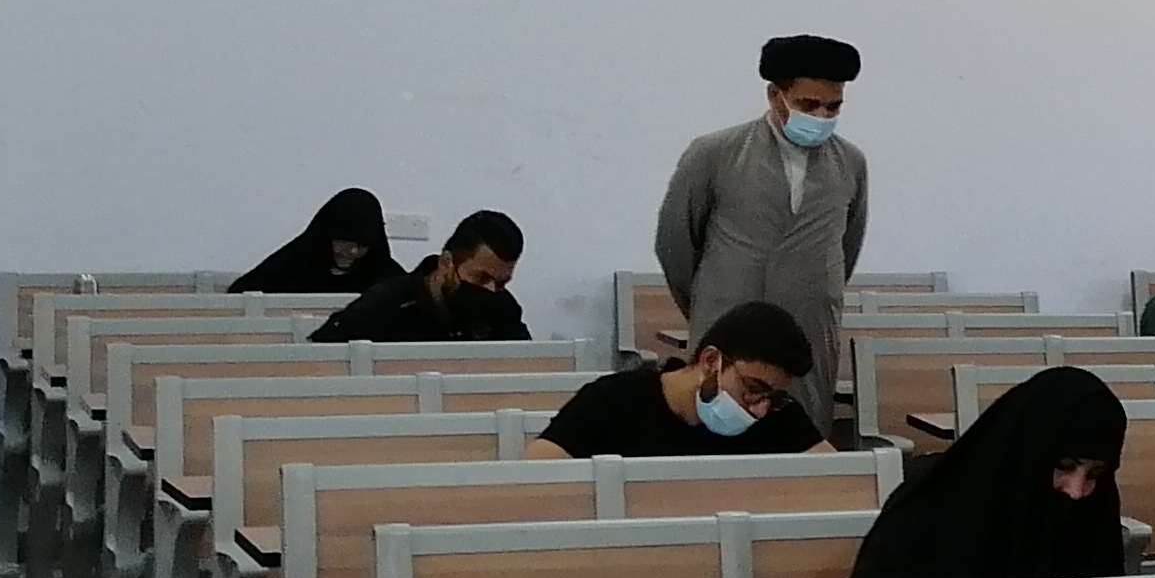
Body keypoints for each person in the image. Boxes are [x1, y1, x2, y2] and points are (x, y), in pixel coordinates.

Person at [654, 37, 870, 417]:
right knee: (720, 423)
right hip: (726, 325)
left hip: (809, 333)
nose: (821, 116)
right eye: (808, 105)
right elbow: (676, 246)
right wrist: (713, 300)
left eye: (832, 107)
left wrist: (811, 289)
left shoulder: (850, 163)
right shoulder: (714, 153)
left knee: (800, 430)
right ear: (774, 95)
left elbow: (846, 247)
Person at [851, 367, 1128, 578]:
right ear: (1028, 452)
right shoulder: (922, 515)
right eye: (1064, 466)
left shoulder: (1092, 517)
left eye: (1094, 474)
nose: (1076, 491)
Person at [533, 301, 828, 459]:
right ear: (711, 361)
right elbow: (537, 477)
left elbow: (837, 483)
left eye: (772, 398)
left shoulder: (779, 414)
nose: (759, 409)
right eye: (752, 388)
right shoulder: (614, 402)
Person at [314, 212, 528, 343]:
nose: (491, 290)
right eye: (481, 278)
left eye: (501, 283)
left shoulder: (503, 308)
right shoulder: (387, 304)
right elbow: (323, 355)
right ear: (446, 262)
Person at [234, 189, 402, 302]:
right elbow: (241, 296)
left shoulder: (387, 277)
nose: (352, 251)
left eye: (363, 246)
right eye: (343, 242)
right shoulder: (292, 267)